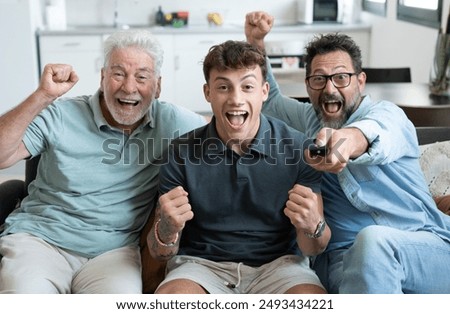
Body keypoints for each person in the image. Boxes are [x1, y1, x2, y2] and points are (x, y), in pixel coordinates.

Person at [245, 11, 450, 293]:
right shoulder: (309, 119)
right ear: (308, 85)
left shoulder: (388, 114)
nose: (330, 89)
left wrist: (344, 143)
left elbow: (371, 134)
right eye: (319, 79)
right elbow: (272, 104)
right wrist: (256, 42)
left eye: (341, 77)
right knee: (361, 253)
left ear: (360, 81)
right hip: (344, 264)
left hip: (423, 248)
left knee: (373, 241)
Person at [0, 29, 206, 293]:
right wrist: (42, 96)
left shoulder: (174, 122)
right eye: (118, 74)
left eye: (142, 77)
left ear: (158, 87)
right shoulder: (61, 114)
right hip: (41, 240)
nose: (129, 87)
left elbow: (228, 131)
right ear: (103, 78)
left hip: (113, 253)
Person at [147, 40, 330, 294]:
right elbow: (159, 253)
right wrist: (166, 229)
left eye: (247, 87)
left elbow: (313, 247)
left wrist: (314, 226)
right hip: (201, 268)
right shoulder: (179, 153)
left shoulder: (300, 150)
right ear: (208, 92)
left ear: (264, 91)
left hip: (280, 267)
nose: (236, 99)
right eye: (223, 87)